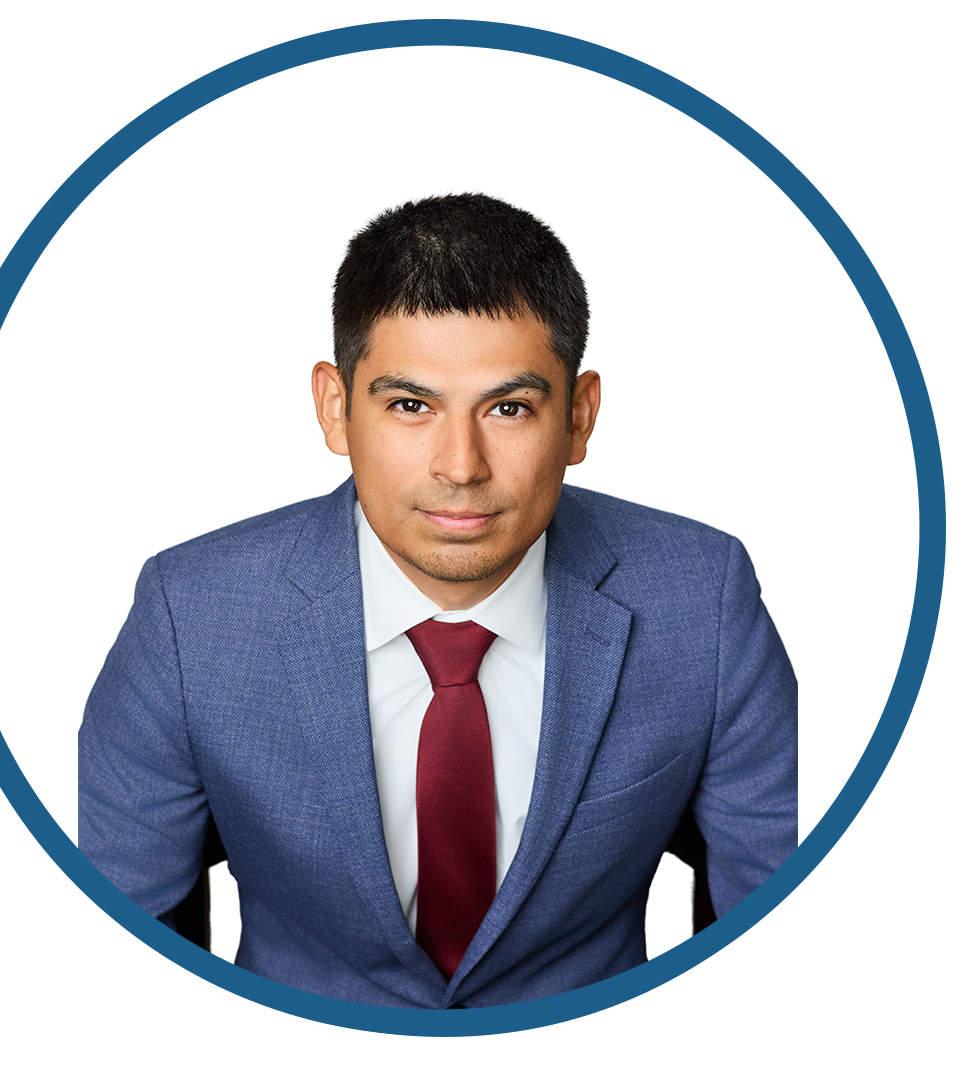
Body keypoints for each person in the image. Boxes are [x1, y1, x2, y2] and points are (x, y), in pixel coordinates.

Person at [79, 193, 797, 1009]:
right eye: (411, 405)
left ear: (579, 417)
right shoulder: (191, 616)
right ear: (336, 408)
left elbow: (784, 936)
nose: (461, 466)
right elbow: (116, 955)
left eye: (510, 408)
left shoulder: (704, 600)